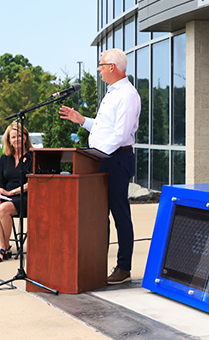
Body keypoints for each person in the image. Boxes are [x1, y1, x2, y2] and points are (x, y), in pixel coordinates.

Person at [59, 48, 141, 284]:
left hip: (115, 159)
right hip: (103, 158)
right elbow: (105, 128)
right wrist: (83, 121)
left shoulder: (127, 94)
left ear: (112, 68)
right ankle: (96, 263)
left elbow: (120, 134)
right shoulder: (112, 93)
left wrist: (96, 155)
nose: (99, 69)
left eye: (101, 65)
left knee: (119, 214)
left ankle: (123, 267)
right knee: (97, 215)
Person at [0, 121, 32, 263]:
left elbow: (32, 183)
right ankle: (3, 247)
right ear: (8, 141)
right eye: (13, 137)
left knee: (3, 208)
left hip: (26, 196)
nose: (16, 139)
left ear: (25, 137)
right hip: (7, 194)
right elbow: (0, 181)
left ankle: (2, 249)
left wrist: (10, 193)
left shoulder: (32, 156)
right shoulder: (5, 158)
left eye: (19, 136)